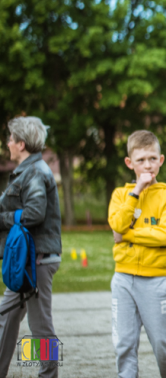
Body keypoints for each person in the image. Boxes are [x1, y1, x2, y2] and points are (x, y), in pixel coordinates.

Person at [108, 130, 166, 378]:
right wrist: (135, 192)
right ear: (130, 163)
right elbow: (117, 223)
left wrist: (126, 235)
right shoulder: (120, 195)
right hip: (123, 280)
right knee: (124, 346)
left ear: (161, 160)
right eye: (140, 160)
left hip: (155, 281)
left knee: (163, 346)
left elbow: (162, 236)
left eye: (152, 158)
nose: (147, 165)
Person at [0, 117, 62, 378]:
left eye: (11, 139)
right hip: (27, 260)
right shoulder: (28, 170)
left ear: (21, 144)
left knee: (40, 326)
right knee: (6, 316)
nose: (8, 143)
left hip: (37, 260)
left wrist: (2, 218)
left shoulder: (36, 172)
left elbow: (35, 213)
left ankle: (48, 374)